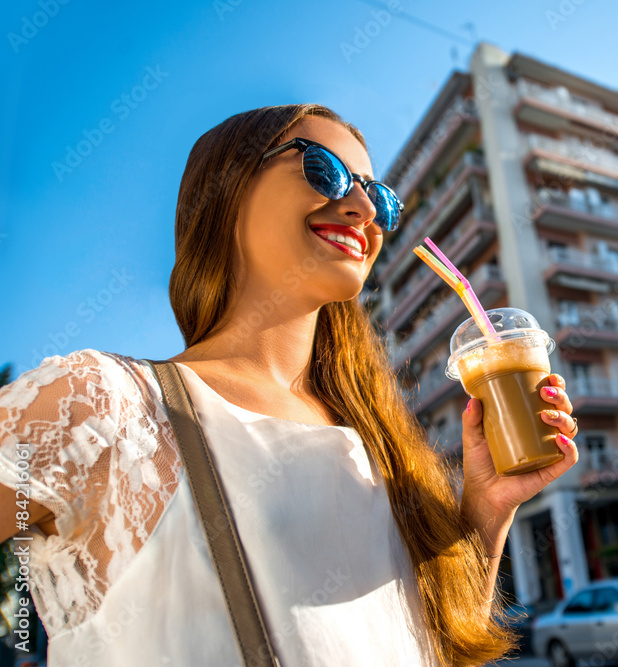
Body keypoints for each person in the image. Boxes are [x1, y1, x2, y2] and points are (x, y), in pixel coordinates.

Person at [0, 104, 580, 666]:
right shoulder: (104, 403)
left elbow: (433, 646)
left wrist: (488, 506)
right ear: (226, 190)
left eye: (379, 197)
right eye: (324, 170)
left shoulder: (375, 440)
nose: (362, 209)